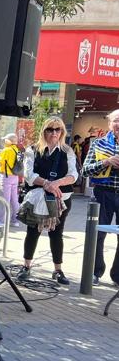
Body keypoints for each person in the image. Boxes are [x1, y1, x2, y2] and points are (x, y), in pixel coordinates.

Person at [17, 117, 78, 286]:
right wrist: (46, 184)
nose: (54, 133)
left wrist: (56, 183)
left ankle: (58, 269)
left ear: (62, 132)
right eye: (50, 129)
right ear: (43, 131)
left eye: (57, 129)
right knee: (33, 231)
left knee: (57, 233)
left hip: (61, 199)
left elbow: (74, 175)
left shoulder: (67, 151)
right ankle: (26, 266)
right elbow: (29, 175)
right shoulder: (33, 149)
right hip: (37, 198)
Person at [82, 109, 119, 286]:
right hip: (102, 193)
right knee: (98, 234)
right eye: (116, 121)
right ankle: (95, 271)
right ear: (109, 124)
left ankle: (118, 276)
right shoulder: (99, 143)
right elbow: (84, 171)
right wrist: (106, 162)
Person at [0, 133, 20, 226]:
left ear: (9, 141)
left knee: (5, 199)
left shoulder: (7, 150)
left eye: (5, 139)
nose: (4, 141)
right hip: (15, 177)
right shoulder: (17, 150)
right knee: (14, 199)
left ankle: (1, 221)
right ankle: (15, 220)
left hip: (6, 176)